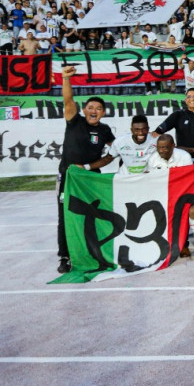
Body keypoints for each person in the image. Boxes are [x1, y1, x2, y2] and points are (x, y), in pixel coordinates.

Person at [56, 66, 115, 274]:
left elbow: (113, 154)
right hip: (69, 178)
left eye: (98, 108)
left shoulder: (105, 130)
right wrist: (65, 79)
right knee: (65, 216)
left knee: (95, 216)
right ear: (84, 110)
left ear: (103, 112)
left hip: (91, 179)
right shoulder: (75, 122)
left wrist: (90, 166)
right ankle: (65, 256)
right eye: (90, 107)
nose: (94, 110)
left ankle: (95, 252)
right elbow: (68, 100)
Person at [152, 88, 194, 157]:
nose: (192, 99)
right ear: (186, 100)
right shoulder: (178, 114)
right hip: (182, 156)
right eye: (189, 97)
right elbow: (160, 129)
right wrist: (156, 132)